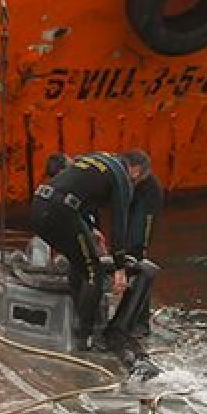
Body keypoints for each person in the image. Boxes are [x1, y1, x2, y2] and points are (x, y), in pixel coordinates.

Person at [29, 150, 158, 350]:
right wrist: (120, 268)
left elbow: (78, 193)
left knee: (79, 262)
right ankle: (85, 338)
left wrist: (90, 229)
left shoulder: (97, 159)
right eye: (138, 181)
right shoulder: (121, 179)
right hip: (60, 213)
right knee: (93, 274)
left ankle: (76, 320)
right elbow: (119, 226)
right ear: (135, 171)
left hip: (39, 208)